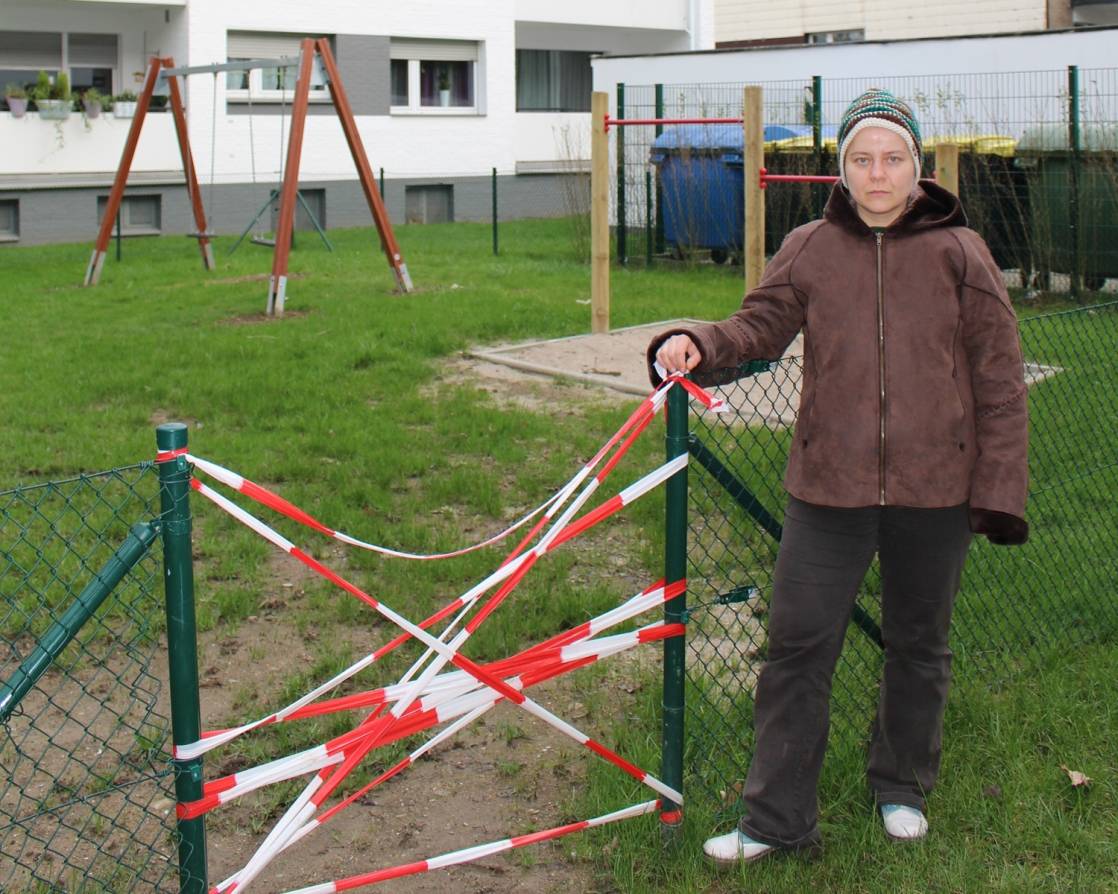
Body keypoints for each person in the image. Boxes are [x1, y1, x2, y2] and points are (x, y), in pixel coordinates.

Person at [648, 88, 1029, 865]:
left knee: (918, 644)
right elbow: (756, 326)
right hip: (828, 490)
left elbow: (999, 376)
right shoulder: (811, 246)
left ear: (917, 168)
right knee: (797, 646)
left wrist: (996, 488)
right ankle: (775, 821)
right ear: (843, 168)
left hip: (935, 490)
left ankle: (901, 785)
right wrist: (694, 340)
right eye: (862, 158)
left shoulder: (962, 252)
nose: (878, 173)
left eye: (893, 159)